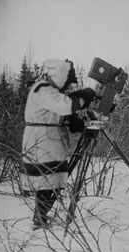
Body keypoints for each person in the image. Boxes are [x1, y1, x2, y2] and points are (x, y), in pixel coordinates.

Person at [20, 59, 97, 229]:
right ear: (60, 76)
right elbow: (66, 105)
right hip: (43, 141)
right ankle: (39, 218)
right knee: (47, 180)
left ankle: (40, 217)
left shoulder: (47, 89)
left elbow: (56, 112)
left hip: (48, 139)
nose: (68, 86)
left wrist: (73, 121)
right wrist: (85, 95)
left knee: (50, 181)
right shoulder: (43, 89)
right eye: (67, 82)